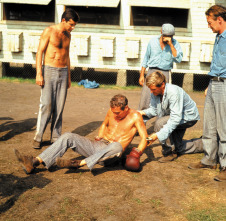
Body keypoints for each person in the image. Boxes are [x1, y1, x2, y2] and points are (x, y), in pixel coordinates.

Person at [15, 94, 148, 174]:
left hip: (111, 156)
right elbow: (104, 124)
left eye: (118, 113)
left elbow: (144, 138)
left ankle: (78, 163)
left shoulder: (136, 116)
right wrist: (99, 136)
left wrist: (138, 152)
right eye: (113, 112)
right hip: (98, 146)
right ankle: (34, 162)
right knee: (68, 136)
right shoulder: (112, 110)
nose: (114, 115)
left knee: (117, 146)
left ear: (126, 108)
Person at [188, 5, 226, 182]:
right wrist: (210, 84)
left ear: (220, 19)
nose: (208, 26)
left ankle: (225, 165)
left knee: (224, 127)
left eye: (210, 22)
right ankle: (210, 159)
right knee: (209, 124)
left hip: (225, 84)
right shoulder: (219, 37)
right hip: (214, 82)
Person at [33, 8, 80, 149]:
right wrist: (39, 73)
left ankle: (55, 136)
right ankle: (38, 136)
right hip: (49, 70)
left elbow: (67, 56)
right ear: (63, 20)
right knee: (46, 105)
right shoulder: (49, 31)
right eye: (71, 24)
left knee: (59, 107)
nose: (72, 28)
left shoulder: (68, 35)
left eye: (74, 26)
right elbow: (39, 52)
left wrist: (69, 77)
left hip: (63, 72)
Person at [139, 71, 203, 163]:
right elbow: (154, 110)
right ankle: (205, 144)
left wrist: (157, 135)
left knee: (159, 123)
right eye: (150, 89)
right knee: (178, 148)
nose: (151, 92)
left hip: (188, 117)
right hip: (174, 116)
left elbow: (175, 119)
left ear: (162, 85)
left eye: (153, 89)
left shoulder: (173, 92)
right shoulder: (155, 93)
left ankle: (169, 153)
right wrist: (140, 113)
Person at [138, 23, 183, 111]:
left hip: (165, 72)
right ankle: (142, 121)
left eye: (170, 36)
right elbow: (146, 58)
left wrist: (171, 45)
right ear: (161, 32)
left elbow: (178, 59)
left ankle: (161, 122)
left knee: (164, 98)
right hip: (152, 71)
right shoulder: (152, 41)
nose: (167, 38)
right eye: (166, 35)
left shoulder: (175, 43)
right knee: (145, 97)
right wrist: (141, 75)